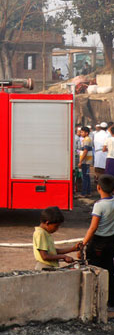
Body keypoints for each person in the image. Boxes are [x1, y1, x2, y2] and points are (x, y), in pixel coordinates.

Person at [81, 174, 114, 310]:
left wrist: (83, 243)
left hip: (98, 242)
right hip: (111, 240)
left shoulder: (99, 206)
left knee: (94, 270)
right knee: (110, 269)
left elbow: (93, 227)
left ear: (98, 187)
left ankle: (94, 301)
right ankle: (111, 302)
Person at [33, 206, 79, 270]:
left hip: (49, 266)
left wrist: (73, 249)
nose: (57, 229)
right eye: (56, 226)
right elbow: (45, 256)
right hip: (45, 267)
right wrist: (63, 257)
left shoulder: (45, 233)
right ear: (47, 223)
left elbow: (53, 251)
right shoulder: (40, 234)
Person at [79, 126, 93, 197]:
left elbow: (85, 151)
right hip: (86, 161)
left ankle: (84, 193)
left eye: (82, 132)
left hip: (85, 161)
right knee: (87, 177)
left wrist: (80, 161)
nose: (81, 133)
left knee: (85, 177)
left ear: (86, 133)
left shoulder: (87, 140)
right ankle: (88, 192)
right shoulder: (86, 139)